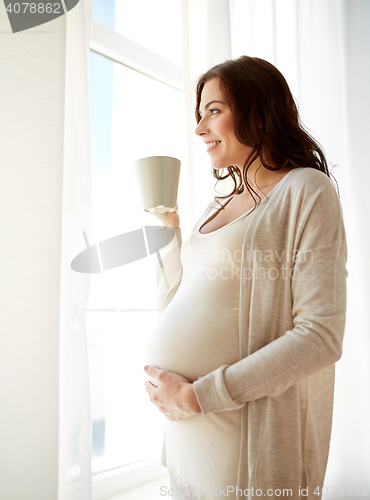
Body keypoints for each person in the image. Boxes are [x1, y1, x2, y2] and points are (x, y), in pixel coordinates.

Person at [143, 56, 348, 500]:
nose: (199, 128)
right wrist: (168, 231)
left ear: (259, 109)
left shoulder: (306, 190)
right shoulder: (218, 205)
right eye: (199, 115)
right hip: (186, 434)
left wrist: (199, 396)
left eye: (214, 111)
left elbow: (320, 337)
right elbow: (175, 304)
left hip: (241, 436)